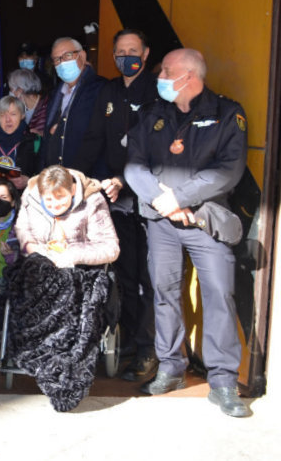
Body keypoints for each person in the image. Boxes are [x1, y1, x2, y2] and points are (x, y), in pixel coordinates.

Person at [125, 48, 251, 418]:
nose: (160, 75)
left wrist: (179, 198)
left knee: (219, 296)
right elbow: (134, 165)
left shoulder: (228, 114)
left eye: (166, 70)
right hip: (162, 223)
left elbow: (228, 170)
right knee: (163, 293)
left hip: (204, 221)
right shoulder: (152, 112)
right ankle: (170, 368)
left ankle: (224, 381)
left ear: (189, 76)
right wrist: (161, 202)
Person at [75, 29, 159, 383]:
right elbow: (95, 137)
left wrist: (124, 179)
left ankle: (147, 350)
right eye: (121, 51)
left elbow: (153, 147)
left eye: (133, 51)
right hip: (114, 201)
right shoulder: (108, 91)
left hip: (148, 202)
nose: (127, 56)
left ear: (146, 52)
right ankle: (124, 343)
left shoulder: (156, 93)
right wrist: (80, 180)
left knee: (146, 278)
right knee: (121, 276)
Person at [5, 165, 119, 411]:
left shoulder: (93, 201)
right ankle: (37, 351)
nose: (54, 205)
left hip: (79, 269)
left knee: (72, 288)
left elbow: (111, 248)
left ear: (73, 190)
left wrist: (73, 255)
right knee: (27, 281)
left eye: (61, 199)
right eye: (49, 200)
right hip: (41, 265)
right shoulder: (30, 196)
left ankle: (65, 361)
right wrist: (35, 250)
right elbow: (22, 230)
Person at [39, 37, 105, 169]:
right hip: (55, 176)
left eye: (67, 55)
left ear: (82, 56)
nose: (62, 62)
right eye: (57, 59)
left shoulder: (101, 89)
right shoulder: (56, 94)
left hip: (85, 176)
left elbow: (101, 138)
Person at [0, 96, 39, 203]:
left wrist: (28, 181)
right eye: (2, 115)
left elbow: (45, 174)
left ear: (22, 116)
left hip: (21, 203)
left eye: (13, 114)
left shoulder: (34, 142)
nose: (8, 120)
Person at [7, 68, 48, 136]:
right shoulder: (18, 107)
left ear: (20, 90)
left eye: (11, 89)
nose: (10, 93)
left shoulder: (47, 105)